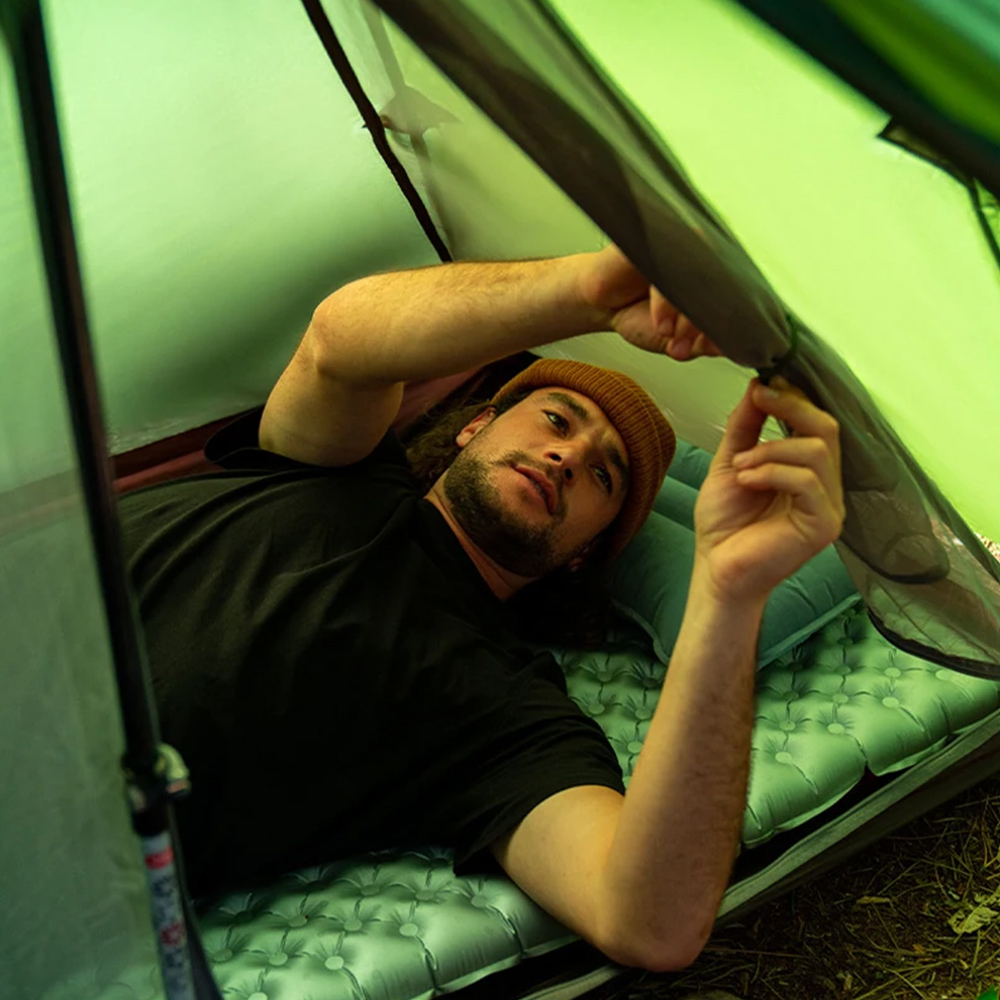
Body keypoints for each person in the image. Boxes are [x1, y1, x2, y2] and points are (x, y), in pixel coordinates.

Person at [119, 245, 844, 973]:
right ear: (474, 425)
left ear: (586, 553)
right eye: (556, 420)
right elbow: (339, 338)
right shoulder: (335, 462)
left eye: (603, 475)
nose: (567, 457)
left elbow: (649, 922)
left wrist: (727, 592)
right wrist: (594, 289)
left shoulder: (504, 711)